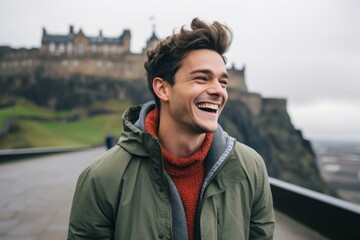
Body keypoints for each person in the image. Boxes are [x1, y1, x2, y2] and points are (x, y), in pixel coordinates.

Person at [67, 18, 275, 240]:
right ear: (163, 89)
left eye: (223, 82)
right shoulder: (101, 179)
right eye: (201, 78)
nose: (218, 91)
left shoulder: (252, 168)